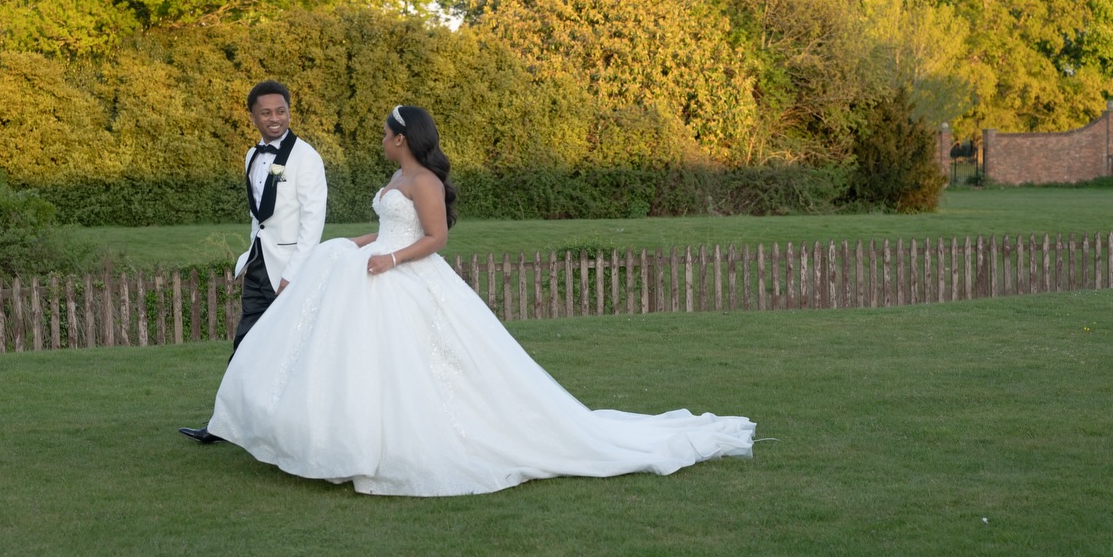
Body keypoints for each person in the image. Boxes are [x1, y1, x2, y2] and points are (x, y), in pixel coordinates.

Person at [201, 104, 755, 495]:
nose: (381, 139)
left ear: (402, 136)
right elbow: (391, 225)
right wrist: (360, 241)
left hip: (407, 274)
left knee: (430, 363)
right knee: (367, 362)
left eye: (385, 133)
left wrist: (390, 259)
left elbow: (436, 238)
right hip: (379, 264)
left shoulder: (427, 182)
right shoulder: (399, 175)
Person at [179, 80, 327, 444]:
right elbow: (259, 217)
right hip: (260, 265)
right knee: (245, 345)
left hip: (292, 273)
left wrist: (291, 276)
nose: (275, 118)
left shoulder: (306, 157)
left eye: (281, 111)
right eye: (266, 113)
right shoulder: (251, 155)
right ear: (253, 116)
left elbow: (313, 223)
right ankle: (222, 426)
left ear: (289, 112)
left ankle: (301, 430)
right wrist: (252, 256)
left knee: (295, 352)